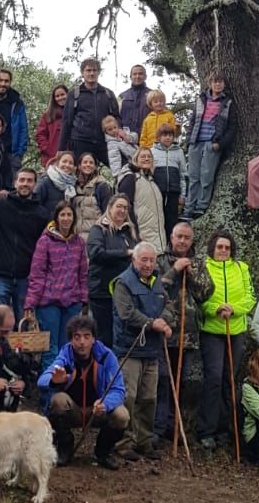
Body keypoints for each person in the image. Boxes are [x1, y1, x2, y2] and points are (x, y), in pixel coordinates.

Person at [38, 313, 130, 469]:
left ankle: (103, 452)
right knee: (58, 401)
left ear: (94, 339)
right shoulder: (65, 355)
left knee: (122, 416)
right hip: (73, 410)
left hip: (98, 411)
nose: (82, 342)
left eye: (87, 337)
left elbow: (119, 389)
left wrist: (105, 403)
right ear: (71, 340)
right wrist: (55, 380)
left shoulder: (106, 356)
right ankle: (65, 447)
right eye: (77, 337)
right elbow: (42, 380)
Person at [113, 243, 175, 458]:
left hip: (152, 350)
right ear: (134, 260)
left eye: (151, 260)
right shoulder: (123, 283)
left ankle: (144, 440)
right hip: (129, 349)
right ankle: (123, 442)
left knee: (149, 398)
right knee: (128, 397)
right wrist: (151, 324)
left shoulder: (157, 281)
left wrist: (165, 320)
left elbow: (169, 305)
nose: (148, 264)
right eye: (144, 260)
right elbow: (126, 313)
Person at [198, 230, 255, 449]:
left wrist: (234, 309)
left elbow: (250, 297)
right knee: (213, 378)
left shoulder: (242, 269)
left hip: (236, 330)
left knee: (229, 379)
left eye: (227, 247)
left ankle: (226, 428)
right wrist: (215, 309)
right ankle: (207, 430)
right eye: (220, 247)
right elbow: (199, 298)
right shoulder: (204, 268)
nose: (223, 251)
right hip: (212, 331)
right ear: (213, 247)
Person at [154, 221, 207, 442]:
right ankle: (159, 426)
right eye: (179, 237)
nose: (183, 241)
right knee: (162, 379)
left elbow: (206, 293)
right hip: (165, 331)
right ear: (171, 238)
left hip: (188, 334)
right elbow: (156, 288)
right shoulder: (159, 261)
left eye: (187, 237)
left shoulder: (198, 263)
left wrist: (191, 273)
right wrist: (175, 271)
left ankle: (176, 428)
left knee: (182, 381)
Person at [25, 200, 88, 369]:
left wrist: (83, 299)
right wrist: (31, 302)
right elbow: (37, 273)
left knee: (68, 347)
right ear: (57, 217)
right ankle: (49, 391)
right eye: (63, 215)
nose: (66, 219)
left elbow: (82, 273)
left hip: (72, 301)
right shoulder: (45, 241)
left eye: (69, 215)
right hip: (49, 302)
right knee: (50, 349)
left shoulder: (79, 243)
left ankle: (65, 389)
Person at [0, 167, 46, 321]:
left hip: (26, 277)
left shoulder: (41, 214)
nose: (25, 184)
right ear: (15, 183)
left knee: (24, 323)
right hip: (0, 275)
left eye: (29, 181)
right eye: (22, 180)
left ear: (35, 184)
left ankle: (18, 347)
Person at [183, 69, 236, 220]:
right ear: (209, 83)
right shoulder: (200, 100)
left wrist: (221, 144)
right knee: (193, 176)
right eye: (215, 81)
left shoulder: (227, 103)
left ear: (224, 84)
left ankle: (201, 207)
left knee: (206, 176)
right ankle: (188, 208)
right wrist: (188, 141)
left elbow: (232, 127)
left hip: (212, 143)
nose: (217, 84)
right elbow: (192, 121)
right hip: (196, 142)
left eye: (220, 82)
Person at [86, 195, 138, 348]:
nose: (122, 211)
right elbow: (96, 253)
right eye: (119, 206)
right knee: (104, 337)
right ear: (110, 208)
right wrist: (125, 253)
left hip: (124, 293)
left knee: (121, 336)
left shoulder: (129, 232)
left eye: (125, 208)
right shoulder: (99, 229)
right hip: (102, 292)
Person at [59, 58, 119, 166]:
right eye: (88, 70)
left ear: (99, 72)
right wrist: (61, 148)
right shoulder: (74, 94)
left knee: (120, 169)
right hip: (80, 141)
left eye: (94, 70)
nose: (91, 73)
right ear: (82, 73)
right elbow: (66, 121)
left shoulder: (108, 94)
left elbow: (117, 118)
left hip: (104, 142)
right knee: (80, 175)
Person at [117, 148, 166, 252]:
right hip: (141, 237)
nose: (147, 159)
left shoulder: (153, 182)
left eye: (149, 156)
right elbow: (125, 209)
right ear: (136, 159)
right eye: (143, 156)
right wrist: (135, 234)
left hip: (159, 238)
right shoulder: (131, 178)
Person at [151, 124, 188, 241]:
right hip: (157, 192)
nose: (168, 138)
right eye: (164, 135)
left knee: (172, 220)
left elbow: (183, 175)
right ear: (159, 137)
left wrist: (182, 195)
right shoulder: (152, 151)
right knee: (158, 219)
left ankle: (171, 244)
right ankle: (158, 244)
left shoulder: (179, 152)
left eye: (170, 135)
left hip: (174, 192)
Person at [72, 152, 113, 239]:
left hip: (95, 237)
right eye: (85, 162)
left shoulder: (101, 186)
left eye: (91, 163)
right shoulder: (72, 186)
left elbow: (108, 213)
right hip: (75, 237)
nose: (88, 165)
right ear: (79, 166)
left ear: (95, 167)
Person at [35, 149, 77, 220]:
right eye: (64, 161)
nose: (67, 165)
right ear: (58, 162)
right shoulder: (46, 180)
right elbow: (35, 204)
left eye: (70, 163)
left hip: (64, 226)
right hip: (46, 225)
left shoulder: (72, 185)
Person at [117, 63, 153, 146]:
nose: (137, 76)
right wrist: (119, 130)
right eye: (135, 74)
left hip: (146, 140)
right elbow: (115, 116)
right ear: (130, 77)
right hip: (125, 140)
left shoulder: (153, 95)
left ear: (145, 76)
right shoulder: (122, 96)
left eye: (140, 74)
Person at [35, 84, 69, 168]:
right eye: (57, 96)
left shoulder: (75, 114)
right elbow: (40, 135)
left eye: (62, 94)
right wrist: (49, 150)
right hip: (52, 159)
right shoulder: (47, 115)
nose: (60, 97)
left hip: (70, 159)